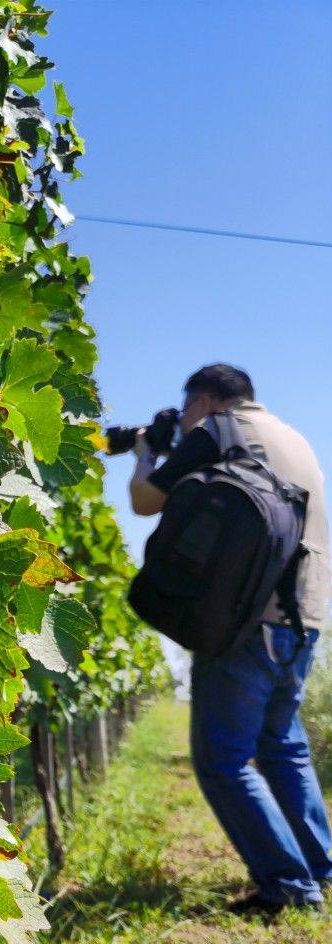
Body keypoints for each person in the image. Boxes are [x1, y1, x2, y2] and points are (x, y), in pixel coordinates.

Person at [129, 363, 332, 913]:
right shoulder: (294, 439)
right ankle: (320, 869)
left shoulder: (218, 431)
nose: (186, 418)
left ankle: (290, 887)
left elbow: (146, 500)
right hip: (306, 619)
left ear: (207, 400)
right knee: (283, 747)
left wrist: (147, 453)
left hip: (248, 620)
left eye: (188, 406)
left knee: (224, 759)